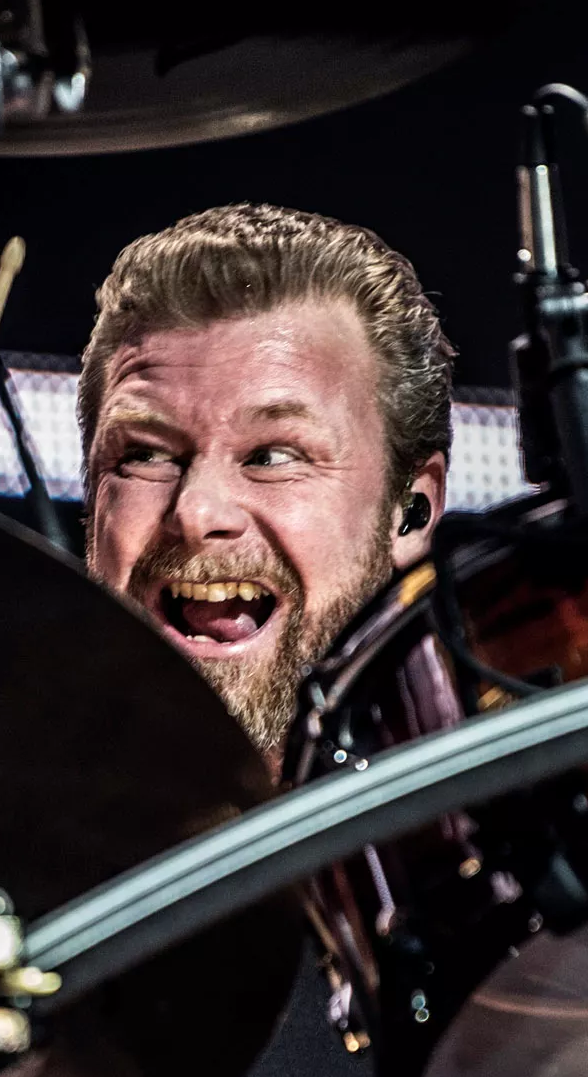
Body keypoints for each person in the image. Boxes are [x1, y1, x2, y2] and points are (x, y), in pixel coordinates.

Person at [77, 203, 453, 771]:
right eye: (146, 455)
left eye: (271, 457)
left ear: (412, 511)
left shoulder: (508, 809)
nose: (196, 512)